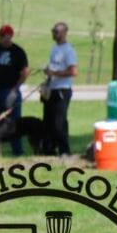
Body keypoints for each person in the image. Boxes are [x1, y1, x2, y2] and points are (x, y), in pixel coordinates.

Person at [0, 24, 30, 157]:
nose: (0, 38)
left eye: (2, 35)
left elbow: (25, 71)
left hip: (10, 91)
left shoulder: (18, 51)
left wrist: (16, 88)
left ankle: (17, 151)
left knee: (13, 123)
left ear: (10, 36)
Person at [41, 22, 77, 155]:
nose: (54, 34)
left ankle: (65, 150)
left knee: (59, 122)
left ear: (64, 33)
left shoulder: (68, 50)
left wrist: (54, 73)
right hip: (52, 89)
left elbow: (73, 71)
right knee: (48, 120)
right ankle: (49, 149)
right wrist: (48, 73)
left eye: (56, 31)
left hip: (62, 90)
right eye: (53, 31)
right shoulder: (54, 48)